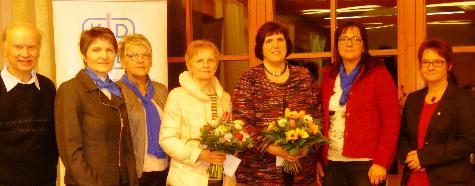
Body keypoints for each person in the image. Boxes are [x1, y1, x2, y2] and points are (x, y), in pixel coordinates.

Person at [232, 21, 321, 185]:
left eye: (280, 39)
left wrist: (305, 147)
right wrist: (273, 148)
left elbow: (317, 116)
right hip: (260, 173)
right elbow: (242, 123)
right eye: (269, 40)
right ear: (260, 47)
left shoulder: (303, 76)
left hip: (302, 170)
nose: (276, 45)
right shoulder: (249, 78)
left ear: (287, 44)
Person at [318, 21, 400, 186]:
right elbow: (320, 118)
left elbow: (392, 121)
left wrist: (382, 162)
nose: (349, 43)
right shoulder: (329, 75)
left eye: (355, 39)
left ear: (364, 45)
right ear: (337, 45)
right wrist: (318, 158)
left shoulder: (379, 74)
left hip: (367, 164)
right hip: (332, 161)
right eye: (343, 39)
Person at [55, 27, 138, 185]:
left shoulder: (116, 90)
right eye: (96, 50)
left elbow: (127, 146)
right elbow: (71, 153)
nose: (104, 56)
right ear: (84, 55)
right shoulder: (71, 90)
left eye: (109, 50)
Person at [397, 38, 475, 185]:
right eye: (425, 62)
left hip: (450, 180)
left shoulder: (463, 99)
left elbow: (469, 141)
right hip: (413, 179)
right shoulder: (413, 99)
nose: (430, 67)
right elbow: (403, 137)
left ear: (449, 66)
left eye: (437, 62)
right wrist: (409, 158)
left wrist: (425, 157)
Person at [159, 40, 235, 186]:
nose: (206, 65)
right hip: (187, 179)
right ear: (189, 65)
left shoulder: (225, 97)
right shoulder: (177, 96)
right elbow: (167, 139)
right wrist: (200, 154)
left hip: (222, 179)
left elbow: (230, 138)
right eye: (199, 60)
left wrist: (229, 171)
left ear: (216, 64)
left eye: (210, 60)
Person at [0, 22, 58, 185]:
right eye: (18, 47)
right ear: (5, 49)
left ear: (39, 50)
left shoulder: (48, 87)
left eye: (31, 47)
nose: (25, 54)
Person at [116, 34, 169, 186]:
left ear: (151, 60)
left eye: (145, 55)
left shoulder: (161, 90)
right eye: (133, 55)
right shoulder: (116, 91)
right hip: (134, 172)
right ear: (123, 61)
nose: (140, 60)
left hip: (164, 168)